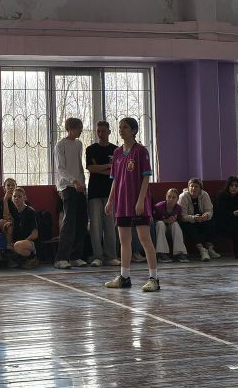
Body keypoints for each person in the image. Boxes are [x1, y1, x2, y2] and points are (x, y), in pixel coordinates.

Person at [103, 117, 160, 291]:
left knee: (144, 239)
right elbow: (115, 180)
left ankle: (154, 279)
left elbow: (146, 177)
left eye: (125, 127)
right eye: (120, 127)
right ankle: (124, 277)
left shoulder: (141, 151)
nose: (121, 130)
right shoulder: (117, 153)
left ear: (133, 130)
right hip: (122, 203)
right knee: (124, 241)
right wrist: (110, 200)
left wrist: (141, 200)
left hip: (138, 203)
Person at [54, 117, 88, 270]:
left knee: (82, 220)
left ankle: (75, 256)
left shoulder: (79, 144)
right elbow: (60, 168)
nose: (80, 131)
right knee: (69, 222)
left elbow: (79, 166)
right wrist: (73, 181)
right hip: (67, 186)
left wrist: (82, 183)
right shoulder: (60, 145)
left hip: (79, 186)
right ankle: (61, 258)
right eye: (78, 128)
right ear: (70, 129)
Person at [84, 120, 117, 268]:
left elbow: (116, 171)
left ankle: (111, 256)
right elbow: (91, 168)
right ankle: (97, 256)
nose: (101, 134)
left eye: (103, 131)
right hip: (94, 192)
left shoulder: (116, 150)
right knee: (95, 227)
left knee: (110, 226)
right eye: (98, 131)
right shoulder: (91, 149)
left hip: (110, 192)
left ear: (109, 131)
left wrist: (100, 167)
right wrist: (108, 167)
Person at [178, 178, 217, 261]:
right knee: (188, 226)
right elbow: (182, 216)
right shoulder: (183, 197)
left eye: (196, 186)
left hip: (202, 220)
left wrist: (206, 215)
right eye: (191, 186)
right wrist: (193, 218)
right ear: (188, 187)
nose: (193, 188)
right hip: (189, 221)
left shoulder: (205, 195)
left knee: (211, 221)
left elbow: (209, 210)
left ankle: (209, 248)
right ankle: (202, 250)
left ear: (200, 188)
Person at [5, 186, 39, 267]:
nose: (16, 198)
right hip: (18, 241)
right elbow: (6, 217)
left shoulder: (30, 211)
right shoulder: (14, 211)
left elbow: (35, 235)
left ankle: (32, 257)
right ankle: (20, 260)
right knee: (8, 243)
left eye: (19, 196)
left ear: (24, 198)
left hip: (30, 242)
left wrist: (22, 242)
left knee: (17, 246)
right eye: (14, 196)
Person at [153, 188, 187, 261]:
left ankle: (180, 253)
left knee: (175, 224)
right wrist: (165, 221)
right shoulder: (158, 207)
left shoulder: (178, 208)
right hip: (159, 230)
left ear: (177, 199)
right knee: (160, 224)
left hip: (170, 230)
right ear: (166, 197)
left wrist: (174, 220)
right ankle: (161, 254)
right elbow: (152, 222)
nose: (171, 199)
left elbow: (180, 221)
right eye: (169, 196)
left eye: (174, 197)